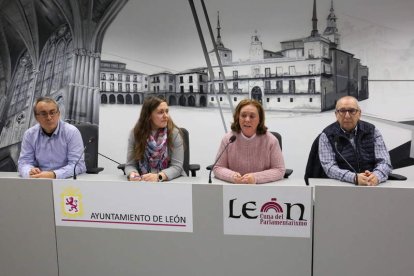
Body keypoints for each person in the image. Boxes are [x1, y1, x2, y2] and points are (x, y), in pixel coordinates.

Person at [318, 96, 392, 186]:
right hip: (342, 186)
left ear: (359, 113)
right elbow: (329, 167)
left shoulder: (372, 131)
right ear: (336, 114)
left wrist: (376, 176)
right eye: (342, 111)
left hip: (372, 187)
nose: (347, 115)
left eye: (352, 111)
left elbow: (384, 162)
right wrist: (354, 178)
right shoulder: (327, 135)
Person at [213, 99, 286, 184]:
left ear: (260, 119)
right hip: (233, 190)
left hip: (263, 190)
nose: (247, 119)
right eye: (243, 115)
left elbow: (279, 170)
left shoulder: (271, 141)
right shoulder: (228, 139)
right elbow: (217, 167)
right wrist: (232, 177)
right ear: (238, 117)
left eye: (252, 116)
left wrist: (255, 178)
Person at [18, 97, 87, 179]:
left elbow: (78, 165)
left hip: (67, 180)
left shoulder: (71, 132)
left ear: (58, 114)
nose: (49, 117)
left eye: (52, 112)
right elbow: (24, 163)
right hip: (39, 180)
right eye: (44, 114)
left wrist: (54, 174)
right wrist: (29, 171)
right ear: (36, 117)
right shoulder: (30, 135)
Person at [125, 97, 184, 182]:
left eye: (167, 111)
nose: (166, 116)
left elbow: (177, 167)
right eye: (160, 112)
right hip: (143, 183)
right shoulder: (135, 134)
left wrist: (159, 176)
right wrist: (132, 174)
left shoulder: (175, 134)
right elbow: (130, 165)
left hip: (171, 182)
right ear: (148, 115)